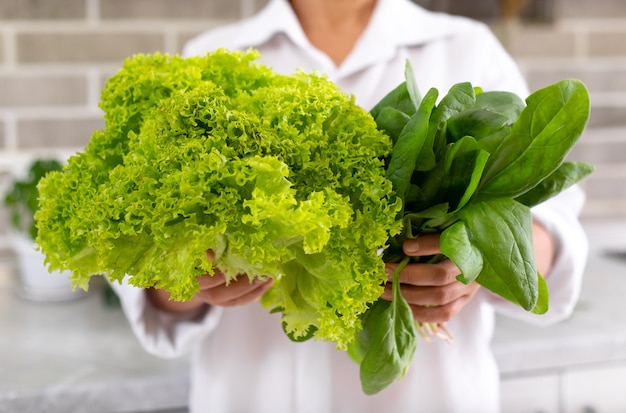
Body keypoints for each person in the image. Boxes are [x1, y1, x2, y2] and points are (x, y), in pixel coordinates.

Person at [111, 0, 589, 411]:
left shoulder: (467, 47)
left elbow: (553, 228)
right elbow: (153, 278)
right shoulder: (211, 57)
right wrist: (191, 280)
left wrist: (477, 262)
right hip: (251, 392)